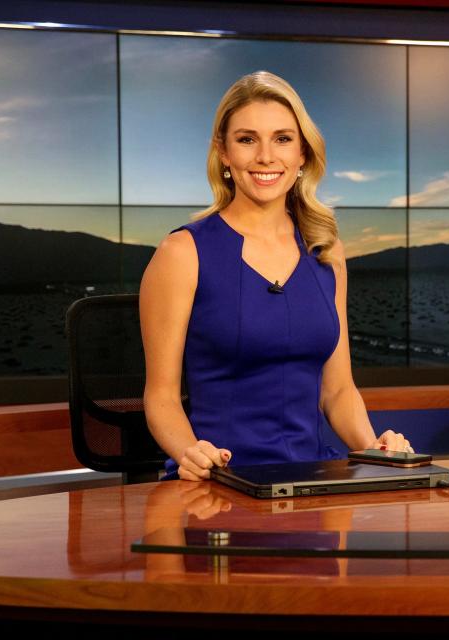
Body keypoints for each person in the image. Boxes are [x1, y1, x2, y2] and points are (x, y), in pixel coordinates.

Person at [140, 71, 410, 481]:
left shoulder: (327, 251)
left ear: (303, 153)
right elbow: (161, 397)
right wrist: (189, 452)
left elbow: (337, 391)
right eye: (247, 139)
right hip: (220, 485)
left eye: (282, 139)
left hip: (313, 481)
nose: (266, 156)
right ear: (224, 152)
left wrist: (377, 449)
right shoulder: (182, 253)